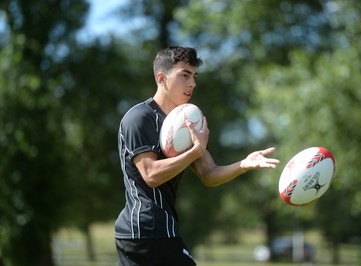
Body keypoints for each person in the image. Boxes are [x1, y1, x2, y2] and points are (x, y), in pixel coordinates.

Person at [115, 46, 280, 266]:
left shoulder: (185, 122)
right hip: (145, 231)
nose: (192, 83)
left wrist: (244, 164)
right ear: (161, 78)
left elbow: (209, 174)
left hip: (160, 230)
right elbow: (151, 175)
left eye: (194, 76)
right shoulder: (139, 118)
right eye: (184, 75)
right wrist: (194, 151)